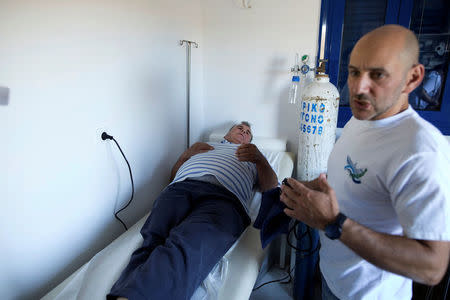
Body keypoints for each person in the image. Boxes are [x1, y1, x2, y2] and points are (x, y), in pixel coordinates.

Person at [280, 25, 450, 299]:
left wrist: (334, 223)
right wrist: (296, 190)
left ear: (413, 78)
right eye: (354, 71)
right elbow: (343, 183)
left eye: (378, 74)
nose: (358, 88)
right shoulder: (360, 121)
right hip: (334, 281)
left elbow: (431, 267)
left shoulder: (421, 151)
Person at [107, 121, 278, 300]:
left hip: (224, 199)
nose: (243, 132)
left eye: (248, 132)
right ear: (227, 134)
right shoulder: (205, 146)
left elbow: (271, 188)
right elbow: (172, 177)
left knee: (189, 242)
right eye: (239, 128)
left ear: (250, 140)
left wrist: (259, 159)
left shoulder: (255, 156)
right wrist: (184, 156)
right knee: (153, 241)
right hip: (179, 190)